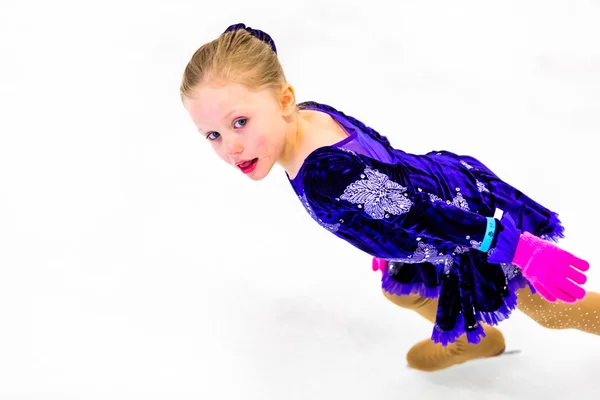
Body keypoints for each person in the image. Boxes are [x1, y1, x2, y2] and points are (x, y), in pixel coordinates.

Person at [179, 23, 598, 372]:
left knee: (548, 310)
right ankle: (475, 338)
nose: (230, 147)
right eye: (213, 134)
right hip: (429, 196)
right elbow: (380, 155)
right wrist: (380, 226)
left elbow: (423, 214)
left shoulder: (325, 174)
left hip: (460, 226)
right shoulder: (309, 115)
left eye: (240, 122)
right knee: (400, 289)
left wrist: (517, 247)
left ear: (283, 99)